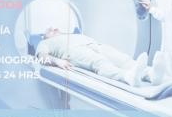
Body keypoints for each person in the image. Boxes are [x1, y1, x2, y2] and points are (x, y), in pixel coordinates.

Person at [35, 28, 165, 87]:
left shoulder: (74, 35)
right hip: (73, 51)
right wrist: (57, 61)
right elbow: (41, 57)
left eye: (55, 28)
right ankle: (128, 77)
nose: (54, 29)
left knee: (122, 59)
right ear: (45, 36)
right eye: (49, 30)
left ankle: (150, 74)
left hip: (96, 45)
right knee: (100, 62)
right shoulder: (45, 42)